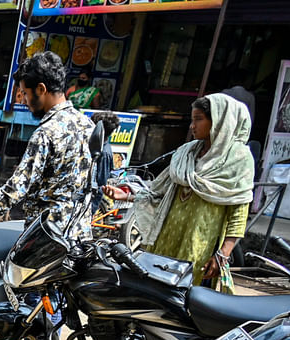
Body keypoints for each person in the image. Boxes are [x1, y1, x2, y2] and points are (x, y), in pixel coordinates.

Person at [104, 93, 254, 285]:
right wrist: (125, 195)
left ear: (219, 121)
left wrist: (223, 254)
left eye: (198, 119)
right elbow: (160, 191)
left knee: (186, 297)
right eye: (192, 120)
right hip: (166, 238)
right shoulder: (187, 151)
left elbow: (238, 213)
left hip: (201, 246)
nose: (192, 126)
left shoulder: (238, 159)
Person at [0, 51, 94, 238]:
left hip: (47, 240)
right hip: (79, 236)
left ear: (41, 89)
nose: (23, 100)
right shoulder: (88, 124)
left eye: (25, 93)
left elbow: (16, 188)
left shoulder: (46, 133)